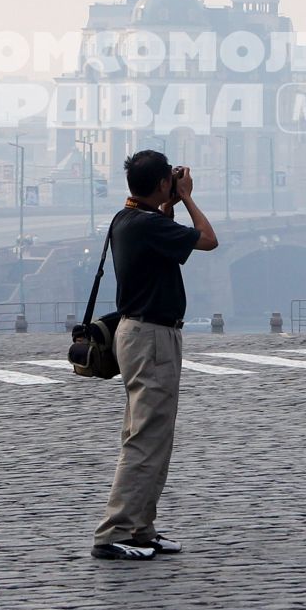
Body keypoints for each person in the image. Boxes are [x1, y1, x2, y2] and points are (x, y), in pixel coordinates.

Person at [92, 150, 217, 562]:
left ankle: (140, 529)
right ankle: (115, 532)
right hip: (152, 338)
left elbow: (162, 232)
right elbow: (207, 240)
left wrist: (169, 201)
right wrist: (189, 198)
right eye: (170, 180)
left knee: (151, 437)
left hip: (138, 334)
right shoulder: (145, 225)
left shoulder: (127, 220)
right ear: (163, 182)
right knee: (145, 441)